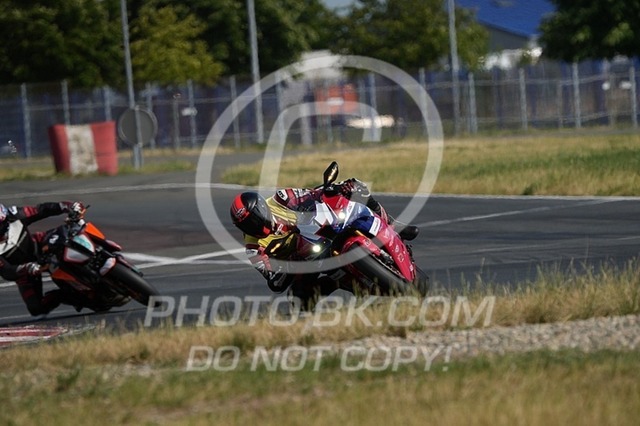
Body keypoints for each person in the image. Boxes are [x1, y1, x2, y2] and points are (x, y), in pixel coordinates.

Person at [229, 178, 419, 308]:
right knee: (299, 299)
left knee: (356, 188)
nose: (254, 226)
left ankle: (392, 224)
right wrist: (288, 266)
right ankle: (339, 282)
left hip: (317, 230)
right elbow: (275, 282)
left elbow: (312, 194)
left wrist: (335, 188)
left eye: (255, 219)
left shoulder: (281, 198)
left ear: (262, 208)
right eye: (247, 225)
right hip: (306, 260)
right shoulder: (254, 250)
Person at [0, 201, 86, 317]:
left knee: (73, 232)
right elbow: (6, 271)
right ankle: (69, 296)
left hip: (40, 244)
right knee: (36, 308)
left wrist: (67, 206)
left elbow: (41, 210)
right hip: (25, 271)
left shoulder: (15, 215)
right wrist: (27, 268)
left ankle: (100, 249)